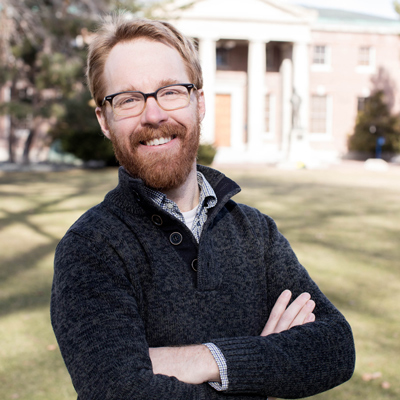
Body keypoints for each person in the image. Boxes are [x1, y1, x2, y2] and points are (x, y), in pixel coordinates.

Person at [50, 15, 355, 400]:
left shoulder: (256, 233)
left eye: (171, 91)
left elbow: (336, 347)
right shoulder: (91, 247)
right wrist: (265, 364)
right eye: (127, 99)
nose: (154, 114)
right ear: (104, 120)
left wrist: (206, 360)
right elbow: (119, 392)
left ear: (200, 102)